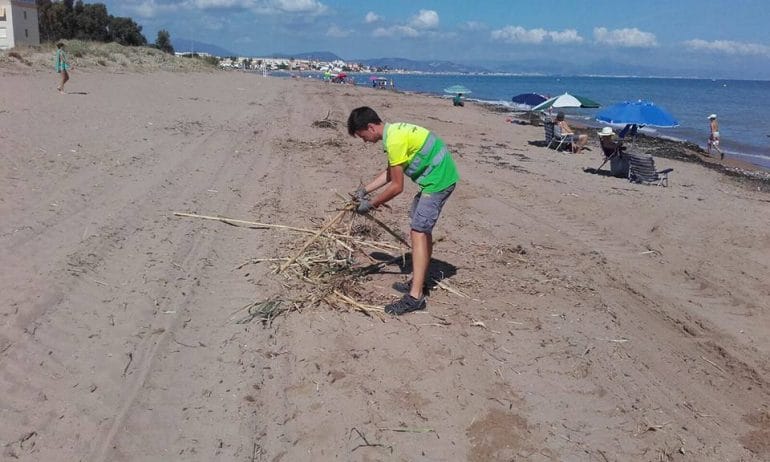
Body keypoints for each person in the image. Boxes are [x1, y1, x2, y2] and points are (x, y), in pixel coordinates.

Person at [347, 106, 459, 315]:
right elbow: (391, 173)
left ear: (370, 128)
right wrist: (364, 190)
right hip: (435, 179)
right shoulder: (394, 132)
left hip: (439, 182)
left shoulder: (394, 140)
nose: (364, 141)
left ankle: (415, 297)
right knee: (419, 230)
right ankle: (419, 281)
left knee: (418, 231)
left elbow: (397, 186)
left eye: (362, 136)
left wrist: (371, 204)